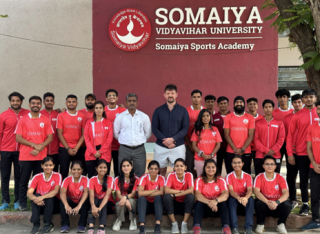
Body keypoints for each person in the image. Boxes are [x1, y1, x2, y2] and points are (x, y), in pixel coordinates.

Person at [15, 96, 53, 211]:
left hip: (41, 156)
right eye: (33, 103)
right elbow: (18, 138)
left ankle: (37, 202)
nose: (35, 105)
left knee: (39, 182)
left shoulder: (45, 119)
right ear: (29, 105)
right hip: (26, 156)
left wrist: (40, 147)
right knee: (24, 181)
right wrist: (33, 145)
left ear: (41, 105)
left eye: (38, 103)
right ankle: (22, 204)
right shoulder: (23, 119)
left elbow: (50, 137)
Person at [286, 88, 318, 216]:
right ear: (303, 99)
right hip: (302, 153)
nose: (308, 99)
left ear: (315, 98)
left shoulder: (319, 113)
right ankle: (305, 204)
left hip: (318, 153)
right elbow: (290, 135)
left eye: (311, 97)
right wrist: (289, 153)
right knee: (304, 179)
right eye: (306, 97)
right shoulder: (297, 115)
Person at [0, 92, 29, 210]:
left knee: (19, 176)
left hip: (21, 151)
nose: (15, 103)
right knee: (5, 176)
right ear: (10, 102)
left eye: (18, 101)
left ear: (21, 102)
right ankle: (5, 200)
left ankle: (17, 200)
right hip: (5, 150)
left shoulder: (27, 114)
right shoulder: (3, 115)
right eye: (13, 101)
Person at [152, 84, 189, 176]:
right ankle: (160, 189)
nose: (170, 95)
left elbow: (185, 128)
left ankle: (174, 189)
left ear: (176, 94)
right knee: (160, 171)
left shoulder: (183, 111)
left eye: (172, 93)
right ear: (164, 95)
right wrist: (165, 141)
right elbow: (154, 128)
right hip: (161, 146)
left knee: (178, 171)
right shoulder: (158, 110)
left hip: (178, 146)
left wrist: (172, 139)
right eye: (168, 93)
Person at [113, 93, 152, 177]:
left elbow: (148, 133)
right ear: (126, 103)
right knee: (123, 173)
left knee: (140, 173)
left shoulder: (144, 117)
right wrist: (124, 140)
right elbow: (115, 133)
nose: (132, 103)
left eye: (134, 101)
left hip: (139, 150)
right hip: (124, 149)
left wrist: (140, 140)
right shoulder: (120, 117)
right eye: (129, 101)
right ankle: (123, 190)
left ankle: (138, 190)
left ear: (137, 103)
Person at [253, 156, 291, 234]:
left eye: (271, 164)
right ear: (263, 166)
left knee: (287, 204)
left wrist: (276, 202)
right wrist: (267, 202)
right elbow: (256, 192)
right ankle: (260, 224)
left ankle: (281, 224)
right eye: (267, 164)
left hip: (277, 207)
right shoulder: (259, 177)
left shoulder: (280, 178)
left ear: (275, 166)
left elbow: (286, 193)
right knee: (258, 203)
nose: (269, 166)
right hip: (264, 207)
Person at [193, 159, 231, 234]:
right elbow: (197, 194)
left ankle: (226, 227)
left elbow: (225, 194)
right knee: (199, 203)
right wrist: (209, 202)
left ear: (216, 168)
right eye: (208, 167)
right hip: (204, 209)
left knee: (223, 203)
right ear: (204, 168)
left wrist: (215, 201)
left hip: (217, 208)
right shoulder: (199, 180)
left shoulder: (221, 180)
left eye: (213, 167)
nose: (211, 169)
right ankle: (196, 227)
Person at [27, 157, 61, 234]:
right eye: (46, 165)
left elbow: (56, 191)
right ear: (42, 166)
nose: (48, 167)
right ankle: (36, 224)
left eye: (50, 165)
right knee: (35, 195)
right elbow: (29, 193)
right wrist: (36, 199)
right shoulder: (37, 176)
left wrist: (41, 198)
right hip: (40, 204)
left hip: (53, 206)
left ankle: (48, 224)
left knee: (49, 197)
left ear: (53, 166)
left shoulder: (57, 175)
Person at [57, 94, 86, 180]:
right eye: (69, 102)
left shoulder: (82, 116)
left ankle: (78, 192)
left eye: (73, 102)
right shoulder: (61, 116)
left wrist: (76, 148)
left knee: (79, 172)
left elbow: (84, 134)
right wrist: (68, 148)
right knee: (64, 172)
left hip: (78, 149)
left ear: (77, 103)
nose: (71, 103)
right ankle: (63, 192)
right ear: (66, 103)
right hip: (64, 148)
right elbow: (59, 134)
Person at [301, 101, 320, 231]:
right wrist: (313, 163)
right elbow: (308, 148)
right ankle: (316, 220)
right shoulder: (312, 127)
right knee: (314, 195)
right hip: (314, 167)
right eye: (318, 109)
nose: (319, 111)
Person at [224, 96, 255, 174]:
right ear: (234, 104)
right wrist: (235, 149)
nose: (239, 104)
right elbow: (226, 135)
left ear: (244, 104)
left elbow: (251, 135)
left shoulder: (250, 117)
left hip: (245, 151)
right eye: (237, 102)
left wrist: (242, 149)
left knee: (246, 174)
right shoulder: (228, 117)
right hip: (231, 151)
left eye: (241, 102)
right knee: (230, 174)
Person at [282, 94, 303, 209]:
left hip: (306, 152)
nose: (297, 104)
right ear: (291, 103)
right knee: (291, 176)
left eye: (299, 102)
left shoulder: (309, 116)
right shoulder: (287, 118)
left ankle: (306, 202)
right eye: (295, 102)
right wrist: (289, 153)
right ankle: (293, 199)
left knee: (306, 177)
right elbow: (286, 137)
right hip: (292, 151)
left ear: (302, 102)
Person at [163, 158, 194, 234]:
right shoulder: (171, 175)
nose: (179, 168)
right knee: (167, 196)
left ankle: (184, 224)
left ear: (185, 168)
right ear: (174, 168)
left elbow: (190, 190)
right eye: (177, 166)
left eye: (181, 166)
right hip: (173, 205)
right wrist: (181, 191)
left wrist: (175, 194)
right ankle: (174, 224)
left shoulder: (189, 175)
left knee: (190, 197)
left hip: (185, 205)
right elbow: (166, 190)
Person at [254, 100, 285, 175]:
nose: (268, 109)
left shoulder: (279, 123)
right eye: (266, 107)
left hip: (275, 155)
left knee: (275, 178)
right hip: (260, 155)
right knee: (260, 177)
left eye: (270, 107)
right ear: (263, 109)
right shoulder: (258, 123)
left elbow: (281, 138)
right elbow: (256, 139)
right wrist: (266, 150)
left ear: (273, 108)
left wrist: (273, 150)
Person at [84, 101, 113, 178]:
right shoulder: (89, 122)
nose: (98, 110)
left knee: (104, 176)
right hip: (91, 152)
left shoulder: (108, 122)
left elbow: (109, 139)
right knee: (92, 176)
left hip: (104, 152)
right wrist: (93, 151)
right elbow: (86, 138)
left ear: (104, 109)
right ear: (94, 109)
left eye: (100, 108)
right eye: (96, 108)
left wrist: (100, 151)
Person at [226, 156, 254, 234]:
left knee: (251, 199)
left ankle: (248, 228)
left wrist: (245, 198)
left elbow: (249, 190)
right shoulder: (229, 176)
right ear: (231, 164)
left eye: (239, 162)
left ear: (242, 164)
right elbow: (231, 190)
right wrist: (238, 198)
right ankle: (234, 227)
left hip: (244, 201)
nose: (237, 164)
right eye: (234, 163)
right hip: (235, 199)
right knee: (231, 200)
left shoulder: (248, 176)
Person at [60, 161, 89, 233]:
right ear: (71, 170)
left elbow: (86, 192)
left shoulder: (85, 179)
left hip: (81, 202)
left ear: (82, 170)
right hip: (71, 202)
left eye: (78, 169)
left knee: (85, 200)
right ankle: (65, 224)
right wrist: (66, 205)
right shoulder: (67, 179)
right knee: (62, 201)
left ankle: (82, 225)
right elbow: (62, 193)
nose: (76, 171)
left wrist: (79, 206)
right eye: (74, 169)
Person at [191, 109, 222, 177]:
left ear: (210, 117)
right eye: (203, 116)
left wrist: (212, 154)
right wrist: (202, 155)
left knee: (211, 176)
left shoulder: (215, 129)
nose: (205, 118)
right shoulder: (197, 130)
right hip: (199, 158)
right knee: (201, 177)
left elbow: (218, 144)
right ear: (200, 118)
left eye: (207, 116)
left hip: (212, 158)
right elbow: (194, 145)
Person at [138, 160, 165, 234]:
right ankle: (142, 227)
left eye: (156, 169)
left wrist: (145, 193)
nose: (153, 171)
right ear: (148, 169)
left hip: (157, 206)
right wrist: (154, 190)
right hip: (145, 207)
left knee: (158, 197)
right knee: (141, 198)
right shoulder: (143, 177)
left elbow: (162, 192)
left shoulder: (161, 178)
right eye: (151, 168)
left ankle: (157, 225)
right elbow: (140, 193)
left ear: (158, 170)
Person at [88, 159, 114, 234]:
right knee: (95, 200)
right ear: (96, 168)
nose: (103, 169)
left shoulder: (110, 179)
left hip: (108, 205)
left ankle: (101, 227)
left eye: (105, 167)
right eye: (100, 167)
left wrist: (99, 208)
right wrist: (93, 206)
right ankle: (91, 226)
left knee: (102, 201)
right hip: (96, 204)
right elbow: (91, 195)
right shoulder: (92, 179)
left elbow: (107, 195)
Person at [113, 158, 139, 231]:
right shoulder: (117, 179)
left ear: (131, 167)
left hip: (132, 202)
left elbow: (133, 194)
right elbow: (118, 194)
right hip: (121, 201)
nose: (126, 168)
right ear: (121, 168)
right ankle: (119, 220)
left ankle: (133, 220)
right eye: (124, 166)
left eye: (128, 165)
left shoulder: (136, 179)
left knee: (131, 201)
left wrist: (125, 198)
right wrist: (124, 199)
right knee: (121, 203)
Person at [105, 89, 126, 177]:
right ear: (106, 98)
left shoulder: (123, 110)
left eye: (113, 95)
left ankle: (117, 189)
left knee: (118, 170)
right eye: (109, 95)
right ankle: (106, 189)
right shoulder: (103, 110)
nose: (111, 97)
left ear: (117, 98)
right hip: (106, 147)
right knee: (106, 170)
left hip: (119, 146)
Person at [273, 89, 293, 177]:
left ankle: (289, 189)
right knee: (275, 167)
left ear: (288, 98)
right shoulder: (273, 113)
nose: (282, 99)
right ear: (277, 99)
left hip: (290, 144)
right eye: (280, 97)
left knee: (291, 169)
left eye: (284, 97)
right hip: (277, 144)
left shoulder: (293, 113)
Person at [185, 90, 204, 175]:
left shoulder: (205, 111)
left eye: (198, 97)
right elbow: (184, 130)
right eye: (194, 97)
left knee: (203, 168)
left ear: (201, 98)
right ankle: (189, 186)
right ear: (191, 98)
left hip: (203, 145)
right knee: (189, 168)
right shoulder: (186, 111)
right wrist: (190, 145)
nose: (196, 99)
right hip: (188, 144)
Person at [40, 92, 60, 172]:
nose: (49, 102)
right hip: (42, 150)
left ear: (54, 102)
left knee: (54, 173)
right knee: (42, 173)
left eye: (51, 100)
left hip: (56, 150)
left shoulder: (58, 115)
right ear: (44, 102)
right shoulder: (39, 114)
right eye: (47, 100)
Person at [212, 96, 230, 173]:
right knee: (217, 169)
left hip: (229, 147)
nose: (223, 105)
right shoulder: (214, 117)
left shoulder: (232, 116)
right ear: (218, 105)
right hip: (217, 147)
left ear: (228, 104)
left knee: (229, 167)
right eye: (221, 103)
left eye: (225, 103)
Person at [246, 98, 263, 162]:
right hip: (247, 147)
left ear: (257, 106)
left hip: (258, 148)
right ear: (247, 106)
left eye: (254, 104)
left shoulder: (262, 118)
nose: (252, 105)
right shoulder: (244, 118)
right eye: (250, 104)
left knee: (258, 168)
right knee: (246, 168)